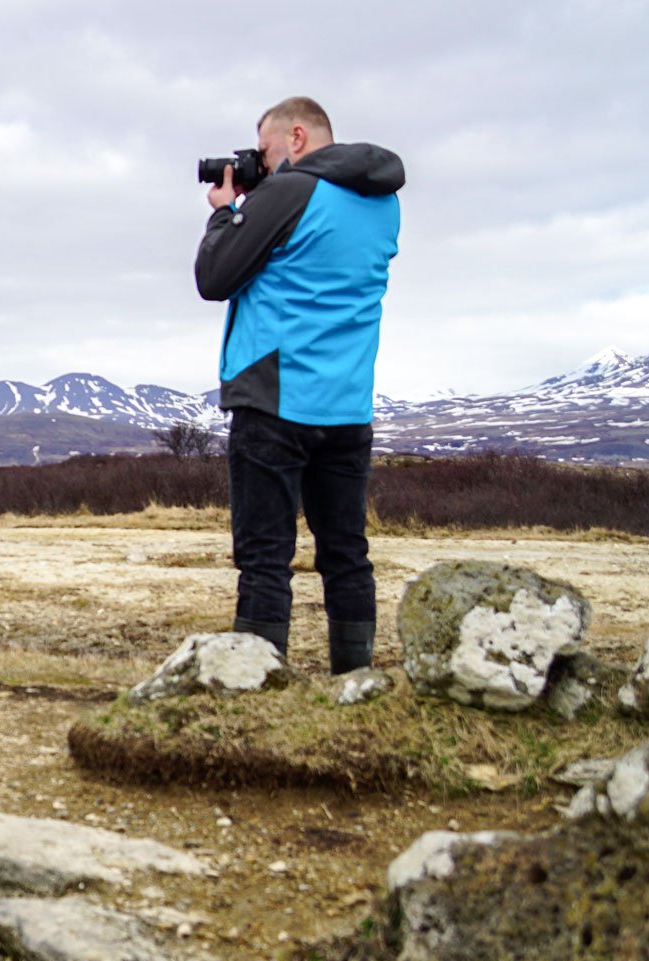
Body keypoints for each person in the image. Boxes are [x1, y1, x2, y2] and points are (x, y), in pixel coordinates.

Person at [194, 96, 404, 674]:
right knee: (346, 554)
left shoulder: (290, 193)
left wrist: (226, 209)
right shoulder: (384, 204)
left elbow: (214, 276)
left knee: (265, 558)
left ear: (296, 137)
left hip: (274, 402)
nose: (259, 163)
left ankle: (257, 684)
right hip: (347, 408)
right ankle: (355, 681)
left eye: (263, 151)